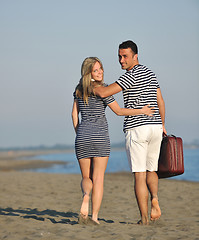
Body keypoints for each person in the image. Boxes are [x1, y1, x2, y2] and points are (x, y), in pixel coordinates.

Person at [71, 57, 155, 225]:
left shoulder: (79, 90)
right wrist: (142, 110)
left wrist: (79, 132)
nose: (100, 71)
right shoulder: (103, 90)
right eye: (96, 70)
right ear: (89, 73)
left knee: (86, 177)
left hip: (83, 136)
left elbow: (74, 114)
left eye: (100, 68)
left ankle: (86, 196)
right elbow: (118, 111)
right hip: (100, 137)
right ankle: (94, 217)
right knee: (99, 178)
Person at [94, 40, 167, 225]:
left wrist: (93, 84)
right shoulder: (151, 73)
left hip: (137, 129)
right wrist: (163, 124)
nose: (121, 60)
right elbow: (160, 100)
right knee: (152, 170)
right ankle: (155, 199)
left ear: (136, 56)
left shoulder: (130, 76)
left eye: (125, 56)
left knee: (139, 175)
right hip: (156, 126)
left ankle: (144, 219)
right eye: (119, 56)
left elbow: (104, 93)